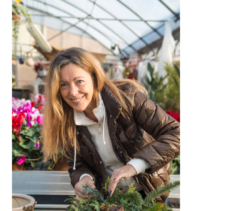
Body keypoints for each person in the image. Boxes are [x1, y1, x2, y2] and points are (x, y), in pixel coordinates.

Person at [42, 48, 181, 202]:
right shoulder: (65, 120)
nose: (73, 92)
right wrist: (83, 177)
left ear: (94, 78)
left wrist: (134, 165)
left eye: (79, 81)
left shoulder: (128, 98)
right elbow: (77, 164)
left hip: (149, 193)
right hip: (109, 200)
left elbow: (176, 133)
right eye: (63, 85)